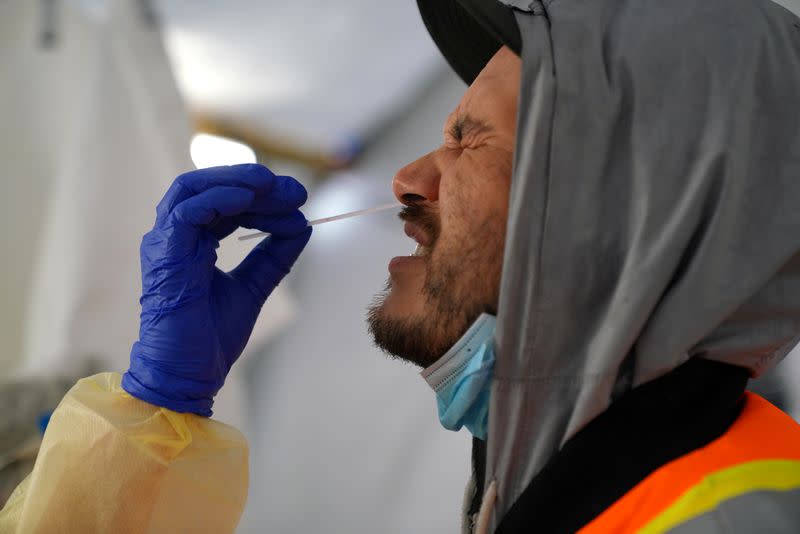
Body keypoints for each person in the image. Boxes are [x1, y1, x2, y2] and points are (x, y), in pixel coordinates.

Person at [3, 0, 800, 532]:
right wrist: (153, 415)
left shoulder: (731, 517)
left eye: (470, 137)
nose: (408, 179)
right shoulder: (555, 483)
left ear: (631, 201)